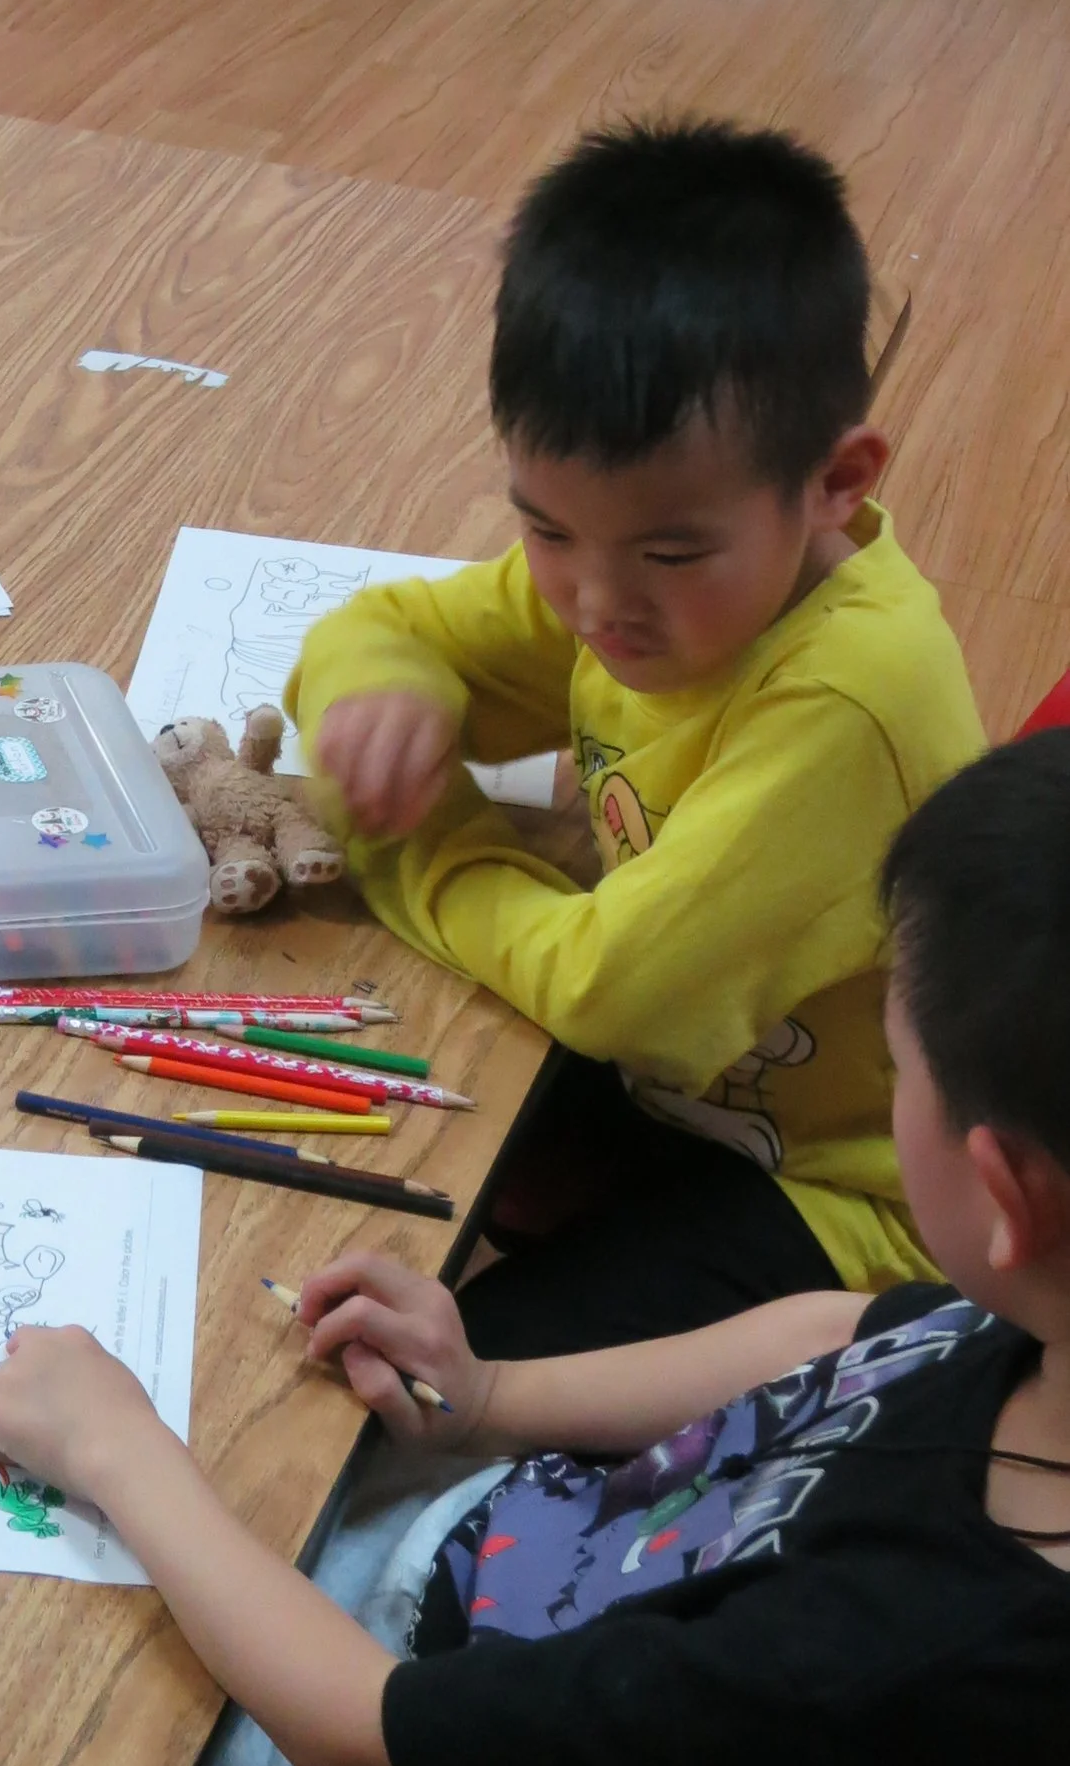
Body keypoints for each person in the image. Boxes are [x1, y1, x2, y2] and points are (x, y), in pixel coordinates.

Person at [0, 731, 1070, 1766]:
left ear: (1001, 1189)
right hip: (517, 1602)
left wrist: (118, 1451)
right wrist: (487, 1390)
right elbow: (834, 1333)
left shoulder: (876, 1655)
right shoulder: (1039, 1328)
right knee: (201, 1490)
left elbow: (361, 1737)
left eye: (896, 1057)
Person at [293, 119, 980, 1353]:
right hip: (687, 1105)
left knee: (444, 1369)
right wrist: (372, 704)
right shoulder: (645, 572)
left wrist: (407, 843)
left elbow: (614, 993)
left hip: (850, 1211)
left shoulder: (848, 696)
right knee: (355, 1141)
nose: (598, 602)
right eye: (547, 532)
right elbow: (384, 627)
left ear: (837, 482)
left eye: (668, 551)